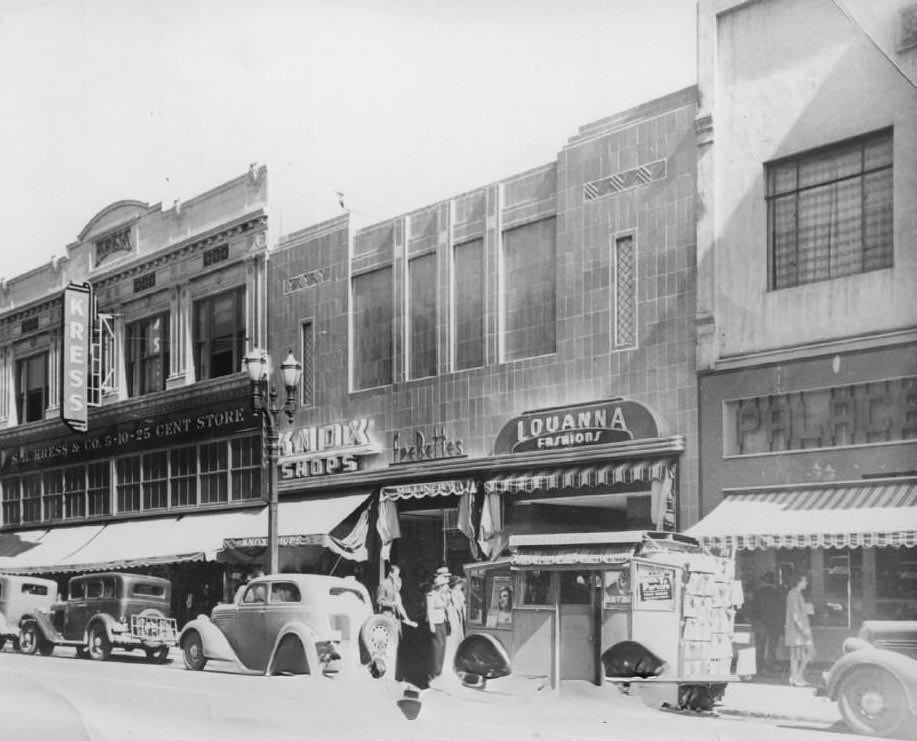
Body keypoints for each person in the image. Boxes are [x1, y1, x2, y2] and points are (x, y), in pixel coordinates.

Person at [784, 574, 813, 686]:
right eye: (804, 581)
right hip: (797, 631)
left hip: (799, 630)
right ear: (799, 581)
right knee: (797, 655)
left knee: (802, 655)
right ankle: (795, 677)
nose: (806, 583)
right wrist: (803, 630)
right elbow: (795, 614)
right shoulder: (793, 594)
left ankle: (797, 676)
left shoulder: (797, 594)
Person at [753, 571, 785, 673]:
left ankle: (758, 667)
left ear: (763, 581)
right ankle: (769, 666)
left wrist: (756, 622)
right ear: (773, 582)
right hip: (773, 625)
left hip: (761, 624)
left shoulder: (757, 593)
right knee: (772, 647)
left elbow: (753, 610)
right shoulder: (777, 594)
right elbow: (781, 611)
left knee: (760, 647)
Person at [426, 568, 451, 680]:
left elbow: (445, 607)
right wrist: (431, 624)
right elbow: (430, 610)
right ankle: (434, 671)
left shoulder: (443, 595)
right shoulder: (431, 595)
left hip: (442, 621)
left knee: (443, 645)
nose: (446, 586)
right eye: (443, 584)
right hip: (435, 622)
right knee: (436, 647)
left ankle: (439, 670)